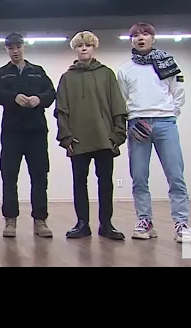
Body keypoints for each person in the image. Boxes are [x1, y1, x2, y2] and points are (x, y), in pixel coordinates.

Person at [117, 22, 191, 243]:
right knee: (139, 176)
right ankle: (145, 222)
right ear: (131, 41)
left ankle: (181, 223)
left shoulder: (168, 63)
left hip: (165, 123)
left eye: (145, 34)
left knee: (175, 175)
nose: (140, 38)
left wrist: (170, 113)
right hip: (138, 124)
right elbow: (123, 99)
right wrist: (134, 117)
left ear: (153, 38)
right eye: (136, 35)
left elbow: (178, 91)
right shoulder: (125, 70)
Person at [54, 31, 127, 241]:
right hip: (78, 140)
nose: (84, 48)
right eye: (80, 46)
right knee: (79, 182)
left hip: (105, 138)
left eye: (87, 45)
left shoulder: (107, 74)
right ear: (75, 49)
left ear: (94, 47)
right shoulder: (67, 78)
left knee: (106, 183)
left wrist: (117, 134)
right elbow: (61, 110)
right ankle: (82, 224)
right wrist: (66, 137)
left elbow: (118, 105)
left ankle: (106, 224)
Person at [0, 32, 56, 238]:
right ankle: (10, 220)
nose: (15, 51)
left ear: (24, 47)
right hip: (12, 131)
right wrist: (13, 97)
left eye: (18, 46)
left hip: (36, 131)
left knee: (39, 175)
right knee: (9, 175)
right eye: (11, 48)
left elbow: (51, 92)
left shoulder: (38, 71)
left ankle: (40, 220)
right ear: (6, 49)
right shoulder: (1, 73)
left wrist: (39, 99)